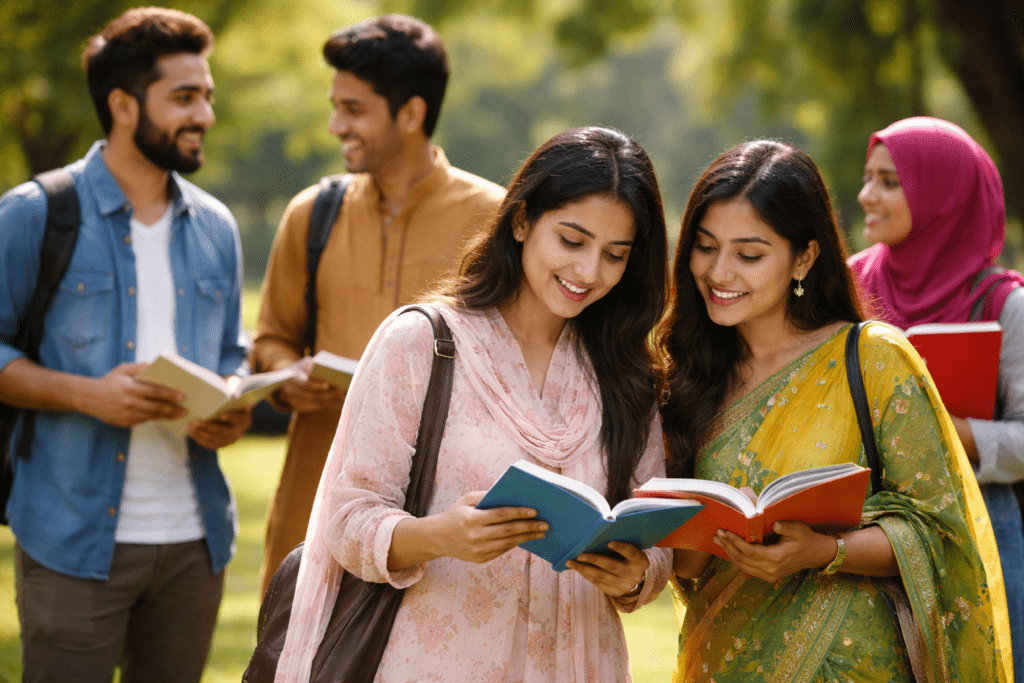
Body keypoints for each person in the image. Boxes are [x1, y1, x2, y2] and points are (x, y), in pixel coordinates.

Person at [272, 126, 671, 682]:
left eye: (615, 255)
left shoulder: (626, 373)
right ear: (522, 220)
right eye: (572, 241)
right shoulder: (422, 343)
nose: (588, 272)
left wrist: (632, 573)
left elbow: (652, 543)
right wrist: (441, 536)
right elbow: (346, 518)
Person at [659, 139, 1012, 681]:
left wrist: (824, 550)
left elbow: (941, 533)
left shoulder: (871, 357)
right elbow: (687, 565)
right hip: (720, 659)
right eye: (705, 247)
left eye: (749, 254)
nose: (719, 272)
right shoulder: (684, 373)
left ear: (804, 257)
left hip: (852, 663)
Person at [0, 8, 250, 683]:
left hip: (196, 544)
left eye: (207, 96)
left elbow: (232, 351)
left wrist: (231, 400)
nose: (204, 114)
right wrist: (89, 395)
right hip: (72, 540)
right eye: (184, 97)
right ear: (122, 104)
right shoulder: (34, 212)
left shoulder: (217, 227)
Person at [253, 14, 504, 594]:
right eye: (335, 105)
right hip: (314, 495)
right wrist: (287, 375)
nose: (337, 124)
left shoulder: (494, 220)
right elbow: (272, 337)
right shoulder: (312, 214)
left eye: (355, 109)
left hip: (436, 513)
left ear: (411, 113)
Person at [849, 115, 1024, 680]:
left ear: (942, 197)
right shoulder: (849, 286)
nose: (865, 195)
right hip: (864, 528)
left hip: (980, 528)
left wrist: (943, 430)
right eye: (869, 177)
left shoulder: (1004, 305)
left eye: (890, 182)